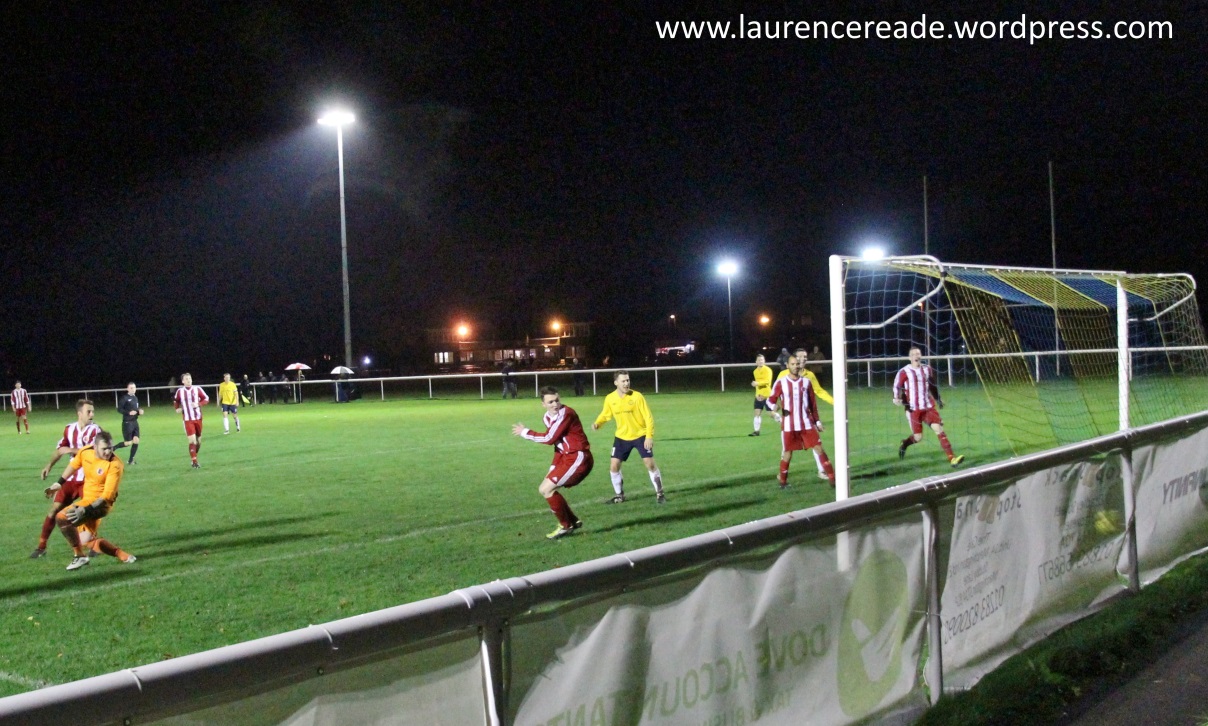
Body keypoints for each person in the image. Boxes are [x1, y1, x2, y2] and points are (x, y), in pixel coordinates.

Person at [46, 430, 135, 571]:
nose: (108, 452)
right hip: (87, 501)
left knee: (62, 517)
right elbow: (74, 465)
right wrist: (59, 483)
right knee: (85, 540)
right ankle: (122, 555)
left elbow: (106, 497)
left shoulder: (115, 465)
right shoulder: (85, 452)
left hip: (101, 505)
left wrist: (85, 510)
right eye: (104, 449)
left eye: (110, 448)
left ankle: (79, 556)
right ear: (95, 447)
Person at [512, 386, 593, 539]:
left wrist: (525, 432)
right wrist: (553, 467)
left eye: (557, 400)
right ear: (543, 404)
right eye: (550, 402)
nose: (555, 404)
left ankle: (565, 526)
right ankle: (573, 521)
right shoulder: (547, 418)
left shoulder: (566, 413)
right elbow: (558, 444)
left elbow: (549, 438)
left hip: (579, 457)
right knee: (543, 489)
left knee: (547, 489)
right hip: (567, 458)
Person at [30, 398, 100, 558]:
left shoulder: (95, 430)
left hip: (88, 479)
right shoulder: (69, 429)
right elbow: (60, 450)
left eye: (93, 411)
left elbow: (90, 452)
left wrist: (69, 450)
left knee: (88, 512)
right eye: (89, 411)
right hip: (71, 478)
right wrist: (49, 465)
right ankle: (41, 547)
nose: (92, 414)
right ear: (79, 413)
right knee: (54, 511)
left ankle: (94, 545)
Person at [592, 370, 665, 504]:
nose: (626, 383)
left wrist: (649, 436)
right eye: (623, 381)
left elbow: (648, 417)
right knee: (614, 466)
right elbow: (606, 414)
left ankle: (660, 493)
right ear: (616, 383)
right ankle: (619, 495)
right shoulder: (610, 398)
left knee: (649, 463)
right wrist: (598, 423)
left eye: (628, 380)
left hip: (640, 435)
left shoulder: (637, 397)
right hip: (621, 437)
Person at [766, 356, 835, 489]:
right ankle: (783, 482)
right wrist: (775, 408)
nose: (795, 366)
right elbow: (770, 401)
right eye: (792, 364)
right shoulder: (781, 382)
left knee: (819, 448)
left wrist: (817, 421)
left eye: (797, 364)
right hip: (789, 425)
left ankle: (833, 479)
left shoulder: (806, 382)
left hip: (806, 423)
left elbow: (812, 405)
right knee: (787, 453)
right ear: (787, 366)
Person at [894, 346, 965, 467]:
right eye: (913, 354)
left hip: (928, 407)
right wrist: (896, 398)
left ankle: (952, 458)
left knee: (939, 429)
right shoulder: (904, 371)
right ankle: (905, 444)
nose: (916, 356)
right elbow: (897, 386)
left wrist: (938, 399)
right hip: (913, 409)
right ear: (910, 358)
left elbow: (932, 386)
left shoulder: (927, 369)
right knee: (918, 437)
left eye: (918, 354)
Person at [173, 372, 210, 468]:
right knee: (192, 441)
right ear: (183, 381)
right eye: (186, 379)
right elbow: (176, 400)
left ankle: (193, 456)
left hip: (198, 418)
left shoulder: (197, 389)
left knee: (198, 441)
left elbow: (206, 398)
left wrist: (199, 404)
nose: (188, 380)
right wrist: (177, 408)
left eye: (189, 378)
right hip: (187, 419)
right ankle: (194, 462)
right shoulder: (180, 391)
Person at [116, 382, 143, 464]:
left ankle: (131, 460)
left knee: (136, 440)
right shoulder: (124, 398)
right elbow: (119, 409)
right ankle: (112, 448)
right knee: (128, 443)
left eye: (134, 387)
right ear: (127, 389)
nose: (133, 389)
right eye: (131, 388)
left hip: (135, 422)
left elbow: (135, 410)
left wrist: (139, 411)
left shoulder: (135, 398)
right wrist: (128, 412)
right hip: (127, 423)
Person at [749, 354, 774, 436]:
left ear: (764, 361)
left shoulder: (768, 370)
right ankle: (756, 431)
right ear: (756, 362)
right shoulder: (755, 371)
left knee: (771, 414)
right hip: (759, 395)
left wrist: (757, 383)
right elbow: (758, 385)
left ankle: (783, 423)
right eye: (759, 360)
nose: (760, 361)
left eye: (762, 360)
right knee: (757, 413)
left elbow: (768, 381)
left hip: (767, 395)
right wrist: (757, 393)